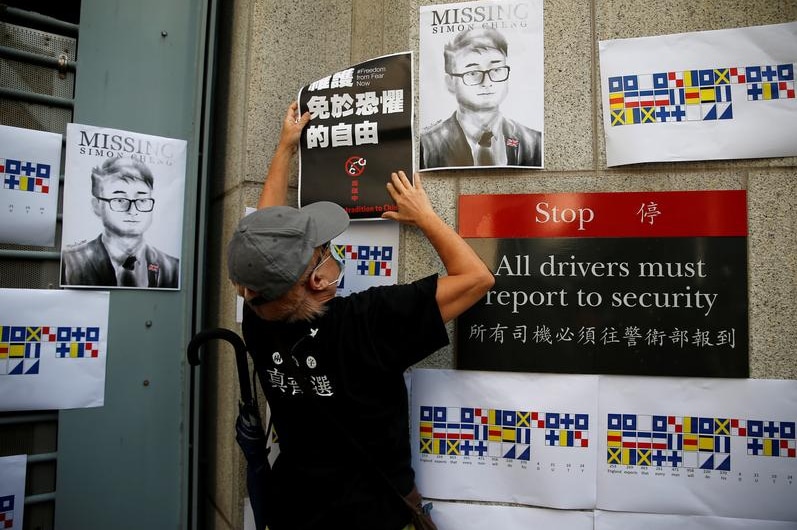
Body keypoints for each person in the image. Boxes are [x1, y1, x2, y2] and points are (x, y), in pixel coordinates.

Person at [227, 102, 494, 530]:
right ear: (318, 279)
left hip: (296, 510)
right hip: (376, 517)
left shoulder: (260, 318)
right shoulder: (370, 321)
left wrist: (285, 149)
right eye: (326, 250)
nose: (334, 250)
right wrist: (425, 216)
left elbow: (263, 240)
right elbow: (476, 277)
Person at [419, 27, 542, 169]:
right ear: (450, 82)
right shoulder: (427, 146)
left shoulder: (533, 142)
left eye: (496, 70)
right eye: (473, 72)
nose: (487, 82)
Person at [61, 157, 179, 288]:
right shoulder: (71, 263)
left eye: (142, 200)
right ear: (97, 206)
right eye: (120, 200)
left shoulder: (172, 268)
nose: (133, 210)